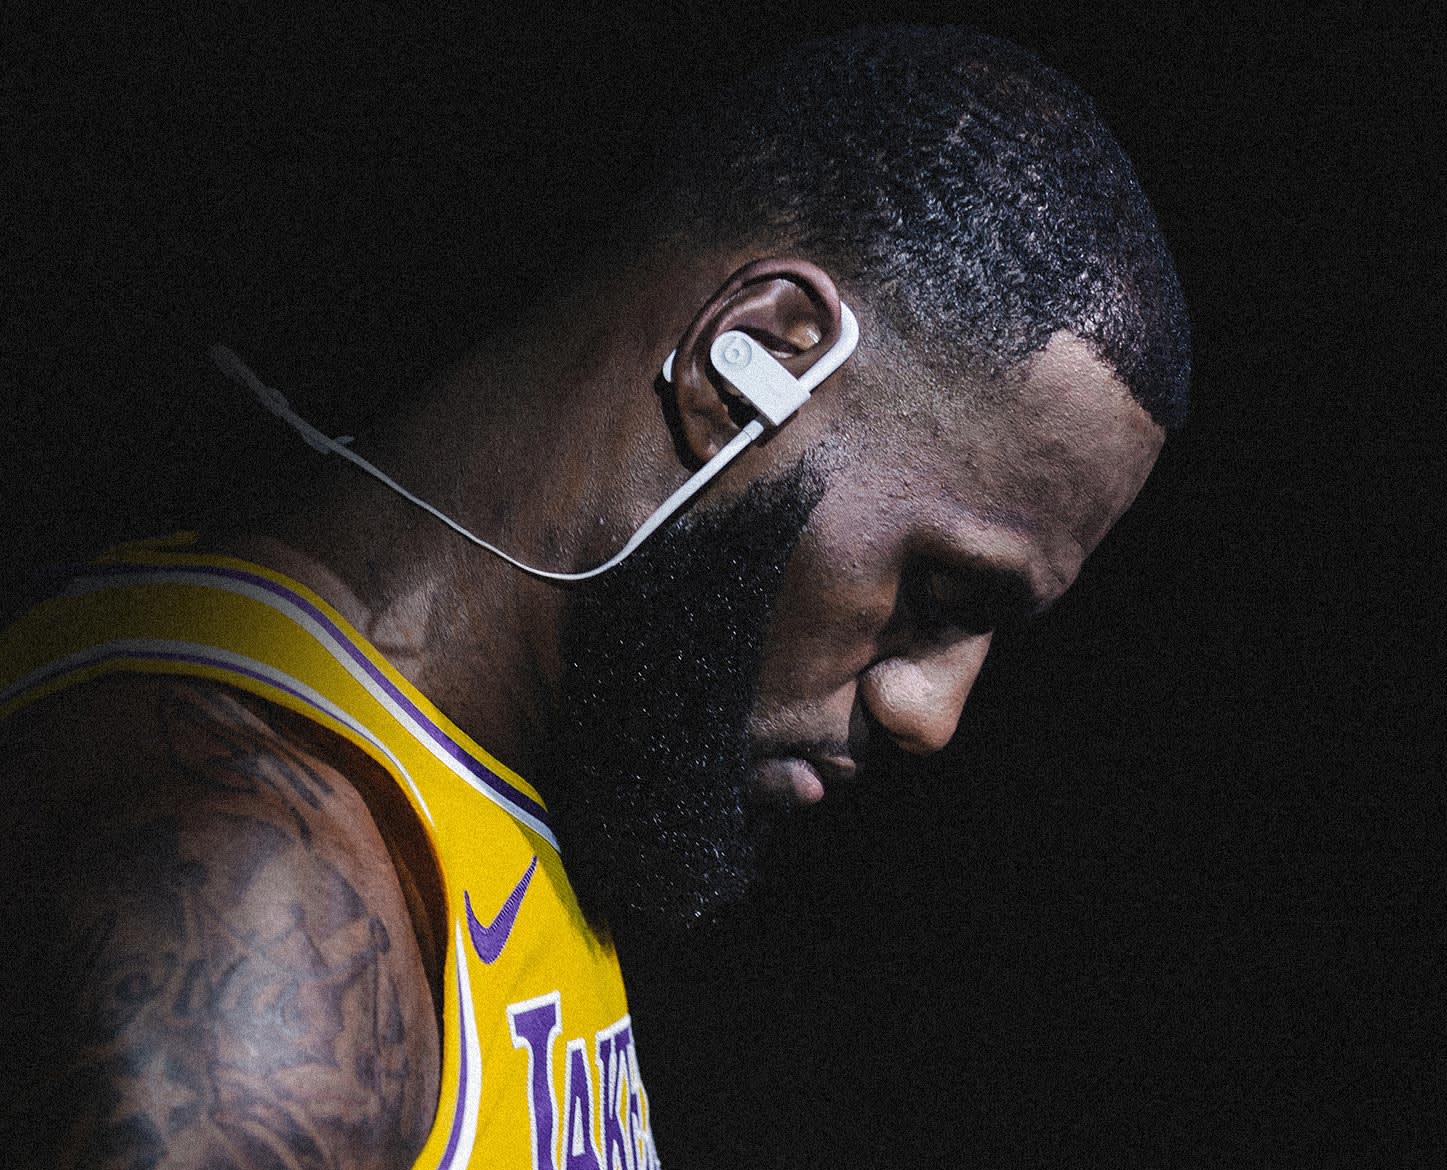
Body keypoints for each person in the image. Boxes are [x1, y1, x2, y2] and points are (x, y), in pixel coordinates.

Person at [0, 24, 1189, 1169]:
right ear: (758, 358)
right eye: (936, 590)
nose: (933, 714)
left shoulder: (500, 788)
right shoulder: (246, 908)